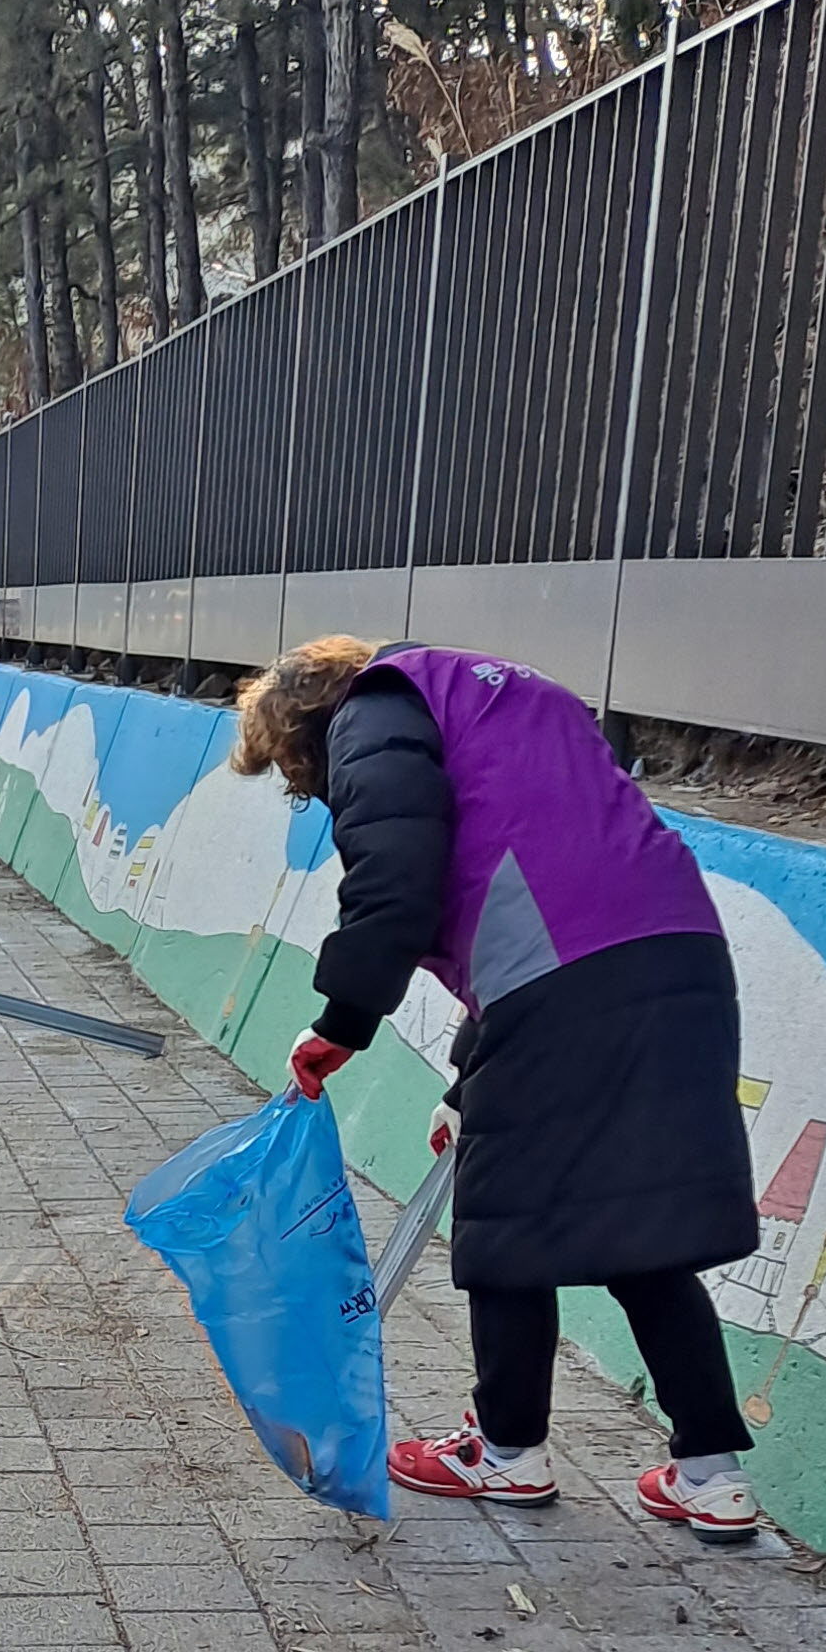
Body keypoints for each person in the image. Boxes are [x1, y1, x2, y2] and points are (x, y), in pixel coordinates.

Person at [233, 637, 762, 1543]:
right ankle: (711, 1474)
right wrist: (467, 1080)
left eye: (296, 771)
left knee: (505, 1214)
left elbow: (394, 876)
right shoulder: (496, 696)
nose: (308, 787)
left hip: (562, 977)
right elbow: (537, 884)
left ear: (306, 732)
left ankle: (507, 1451)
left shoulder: (370, 713)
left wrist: (341, 1021)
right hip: (676, 950)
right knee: (640, 1225)